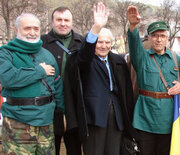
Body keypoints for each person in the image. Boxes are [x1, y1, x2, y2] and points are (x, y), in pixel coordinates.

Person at [65, 3, 137, 154]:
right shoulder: (84, 59)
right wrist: (96, 28)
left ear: (111, 44)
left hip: (117, 118)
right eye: (99, 41)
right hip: (94, 117)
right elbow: (84, 55)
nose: (103, 46)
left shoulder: (118, 61)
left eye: (107, 42)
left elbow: (126, 91)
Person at [127, 6, 180, 155]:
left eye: (162, 35)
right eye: (154, 35)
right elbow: (134, 44)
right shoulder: (142, 57)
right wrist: (132, 27)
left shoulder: (175, 59)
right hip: (145, 118)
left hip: (168, 119)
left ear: (167, 38)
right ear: (149, 37)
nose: (158, 39)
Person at [0, 13, 64, 154]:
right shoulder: (5, 53)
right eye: (27, 28)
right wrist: (39, 70)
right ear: (16, 30)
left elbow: (57, 86)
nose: (32, 32)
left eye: (36, 29)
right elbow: (8, 79)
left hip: (46, 122)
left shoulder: (47, 55)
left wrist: (62, 113)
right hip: (18, 122)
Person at [41, 6, 83, 155]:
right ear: (52, 22)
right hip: (50, 107)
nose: (63, 23)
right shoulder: (41, 43)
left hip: (75, 106)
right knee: (51, 149)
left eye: (66, 20)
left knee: (74, 149)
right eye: (59, 20)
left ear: (72, 22)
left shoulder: (81, 42)